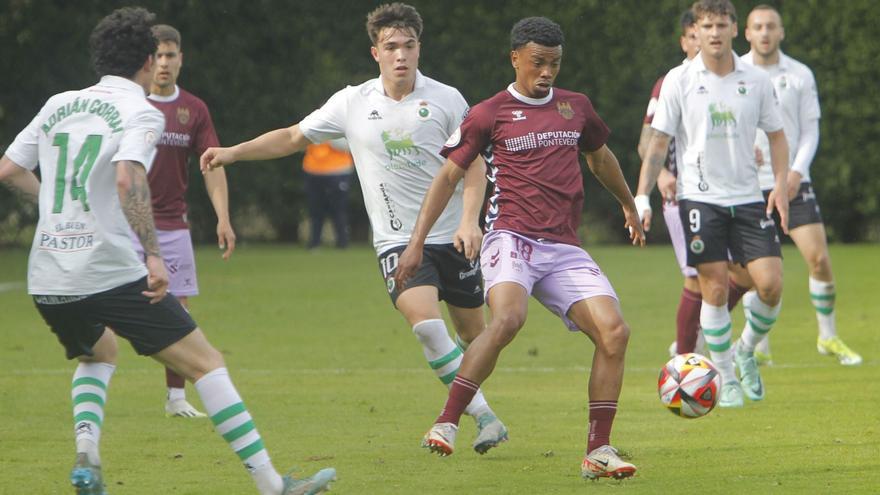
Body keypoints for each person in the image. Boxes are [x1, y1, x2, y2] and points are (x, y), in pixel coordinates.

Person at [0, 7, 334, 495]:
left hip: (48, 275)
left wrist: (55, 201)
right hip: (107, 270)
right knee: (206, 364)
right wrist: (153, 256)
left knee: (99, 352)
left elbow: (8, 170)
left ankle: (87, 455)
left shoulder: (59, 104)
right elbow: (127, 175)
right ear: (143, 60)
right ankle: (272, 485)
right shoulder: (139, 110)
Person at [200, 2, 509, 454]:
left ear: (419, 48)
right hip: (396, 242)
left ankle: (475, 408)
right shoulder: (352, 102)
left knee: (475, 338)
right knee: (425, 326)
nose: (400, 55)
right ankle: (480, 416)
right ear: (375, 53)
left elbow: (474, 166)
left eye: (408, 45)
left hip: (453, 238)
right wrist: (233, 152)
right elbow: (291, 137)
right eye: (391, 47)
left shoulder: (447, 99)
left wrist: (468, 220)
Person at [399, 16, 644, 480]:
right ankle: (448, 420)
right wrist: (415, 244)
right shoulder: (489, 113)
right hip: (510, 237)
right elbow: (448, 176)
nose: (546, 72)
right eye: (537, 63)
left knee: (615, 333)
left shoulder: (576, 107)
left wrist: (628, 205)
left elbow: (600, 157)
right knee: (509, 318)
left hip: (564, 247)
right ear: (515, 59)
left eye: (554, 63)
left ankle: (599, 450)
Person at [637, 0, 790, 408]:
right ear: (697, 31)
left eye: (722, 25)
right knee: (715, 289)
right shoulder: (679, 79)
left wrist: (778, 187)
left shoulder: (755, 80)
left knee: (771, 285)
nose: (715, 33)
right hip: (700, 199)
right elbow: (658, 142)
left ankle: (745, 350)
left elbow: (776, 135)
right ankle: (724, 374)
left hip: (748, 197)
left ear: (734, 29)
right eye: (707, 26)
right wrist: (642, 195)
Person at [736, 4, 861, 366]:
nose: (763, 33)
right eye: (757, 27)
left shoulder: (801, 74)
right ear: (746, 33)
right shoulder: (736, 72)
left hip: (793, 182)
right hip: (747, 185)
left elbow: (810, 130)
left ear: (781, 32)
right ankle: (758, 347)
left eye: (770, 26)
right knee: (752, 270)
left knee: (819, 259)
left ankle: (828, 337)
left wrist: (795, 171)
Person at [636, 10, 751, 358]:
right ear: (687, 39)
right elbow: (648, 141)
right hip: (684, 198)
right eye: (693, 34)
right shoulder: (672, 81)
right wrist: (661, 176)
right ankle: (685, 359)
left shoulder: (733, 80)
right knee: (696, 278)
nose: (700, 39)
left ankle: (701, 330)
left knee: (746, 276)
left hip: (730, 196)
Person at [137, 23, 237, 418]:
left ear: (181, 59)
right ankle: (95, 391)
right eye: (157, 56)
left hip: (173, 226)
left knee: (177, 311)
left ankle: (176, 399)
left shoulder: (193, 109)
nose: (164, 63)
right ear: (148, 60)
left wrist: (223, 218)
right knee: (107, 309)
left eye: (170, 55)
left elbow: (211, 164)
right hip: (125, 225)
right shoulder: (129, 104)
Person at [302, 138, 354, 249]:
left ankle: (342, 243)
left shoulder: (340, 122)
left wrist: (327, 135)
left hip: (338, 170)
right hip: (312, 169)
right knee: (315, 210)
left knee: (338, 209)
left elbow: (346, 145)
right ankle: (314, 243)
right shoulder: (310, 121)